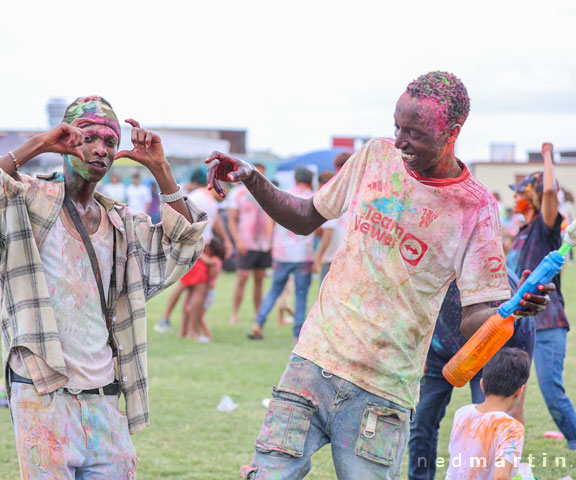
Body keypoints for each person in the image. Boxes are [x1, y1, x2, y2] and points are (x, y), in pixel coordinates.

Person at [206, 71, 553, 479]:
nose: (400, 142)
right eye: (397, 127)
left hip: (384, 391)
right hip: (311, 363)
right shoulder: (375, 156)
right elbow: (303, 218)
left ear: (452, 132)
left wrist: (512, 308)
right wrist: (251, 176)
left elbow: (474, 314)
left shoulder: (475, 209)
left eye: (415, 133)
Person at [0, 95, 207, 478]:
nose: (99, 149)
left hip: (104, 395)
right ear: (66, 140)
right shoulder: (29, 201)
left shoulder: (122, 224)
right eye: (88, 138)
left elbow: (185, 244)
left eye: (109, 141)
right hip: (43, 392)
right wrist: (38, 144)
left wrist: (162, 170)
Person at [505, 143, 576, 472]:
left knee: (551, 389)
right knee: (513, 394)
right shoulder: (520, 233)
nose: (514, 198)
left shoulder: (546, 229)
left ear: (530, 196)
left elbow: (549, 191)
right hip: (519, 324)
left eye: (519, 192)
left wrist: (546, 155)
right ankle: (511, 460)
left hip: (547, 322)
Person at [408, 269, 536, 480]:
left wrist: (512, 459)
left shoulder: (514, 299)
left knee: (494, 425)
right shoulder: (439, 271)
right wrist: (418, 350)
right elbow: (415, 307)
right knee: (422, 422)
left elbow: (514, 406)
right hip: (439, 353)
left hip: (491, 358)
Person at [155, 168, 233, 333]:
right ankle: (192, 330)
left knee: (190, 289)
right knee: (198, 289)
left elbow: (214, 220)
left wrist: (226, 240)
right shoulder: (200, 198)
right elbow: (191, 227)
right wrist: (204, 257)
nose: (226, 194)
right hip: (196, 250)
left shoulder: (208, 200)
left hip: (201, 250)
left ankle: (185, 329)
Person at [248, 167, 315, 341]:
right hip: (304, 255)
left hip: (282, 252)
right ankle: (297, 333)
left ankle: (258, 323)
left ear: (295, 179)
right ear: (310, 180)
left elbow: (271, 220)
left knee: (274, 290)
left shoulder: (284, 195)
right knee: (301, 295)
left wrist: (272, 243)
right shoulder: (314, 198)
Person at [445, 348, 529, 480]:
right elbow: (501, 477)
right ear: (519, 391)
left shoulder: (462, 414)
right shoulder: (511, 428)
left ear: (482, 384)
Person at [227, 163, 272, 325]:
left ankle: (257, 314)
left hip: (263, 244)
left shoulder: (268, 193)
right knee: (242, 278)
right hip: (245, 242)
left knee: (259, 279)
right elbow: (232, 220)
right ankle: (234, 313)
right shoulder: (238, 194)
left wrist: (271, 240)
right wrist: (237, 240)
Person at [178, 237, 225, 342]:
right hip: (197, 266)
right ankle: (193, 332)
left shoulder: (214, 260)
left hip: (207, 290)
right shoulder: (211, 260)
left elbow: (213, 274)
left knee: (195, 310)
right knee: (194, 309)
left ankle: (191, 332)